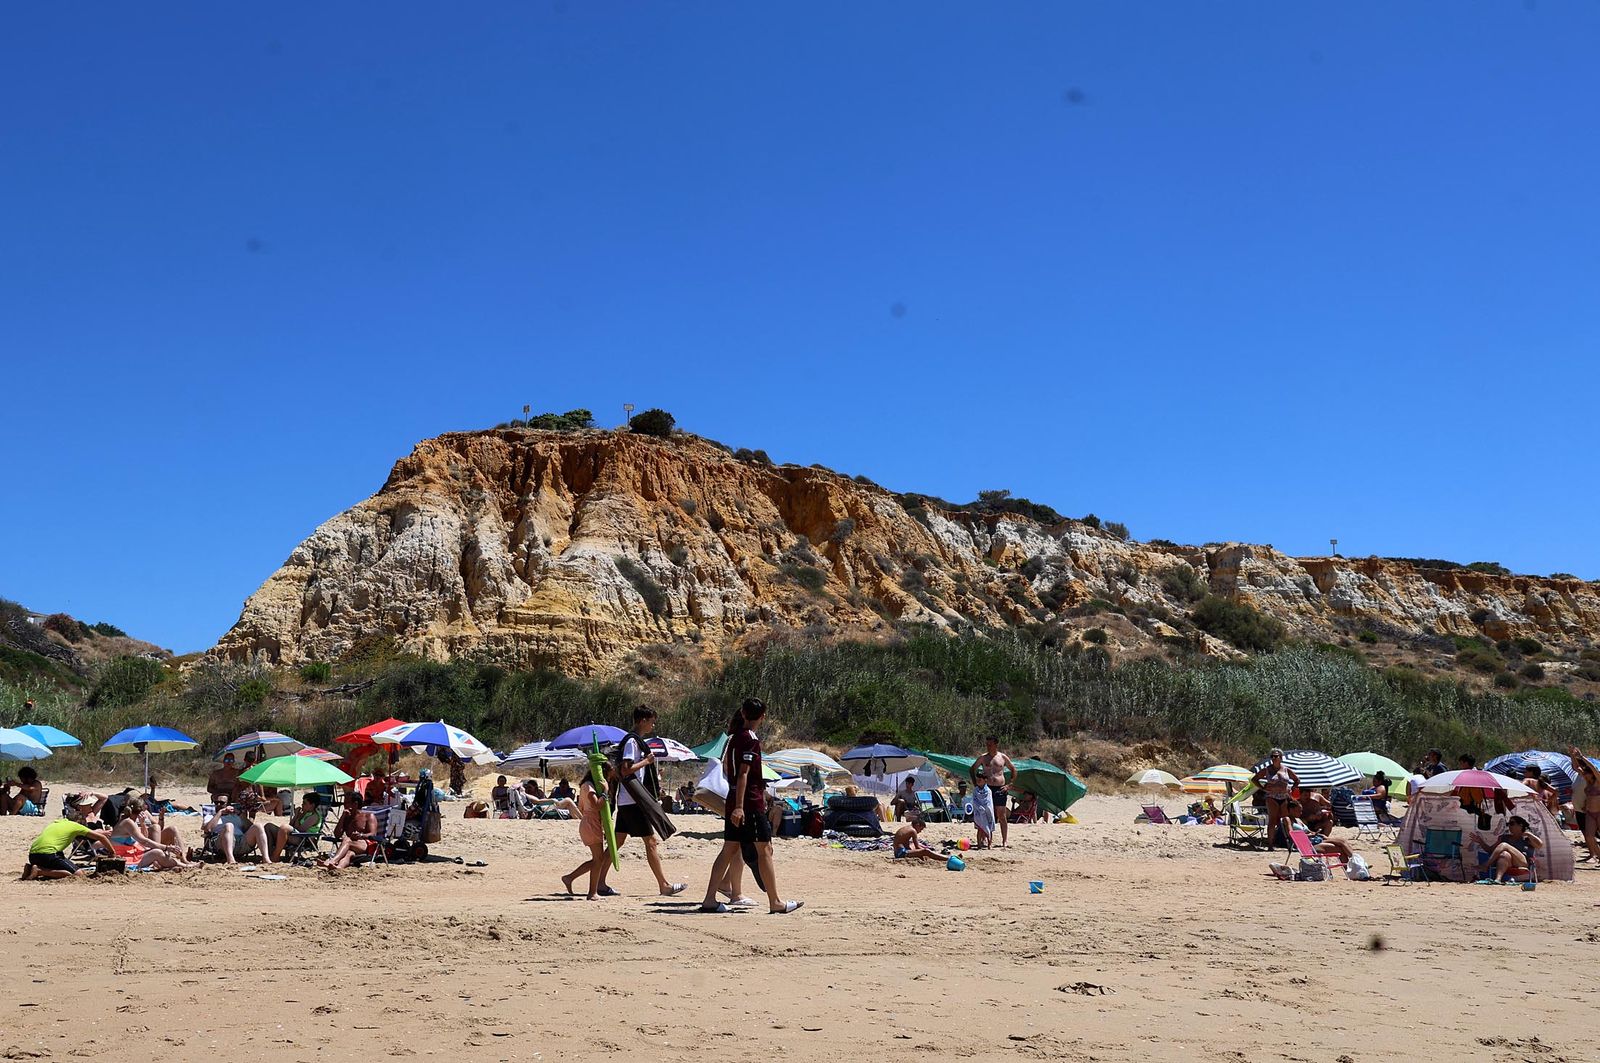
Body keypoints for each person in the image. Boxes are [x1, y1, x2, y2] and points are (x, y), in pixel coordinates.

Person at [699, 697, 802, 914]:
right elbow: (744, 774)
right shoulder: (751, 739)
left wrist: (735, 801)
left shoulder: (733, 738)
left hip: (735, 799)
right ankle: (775, 902)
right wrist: (740, 805)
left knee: (729, 849)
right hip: (749, 804)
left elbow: (730, 771)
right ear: (762, 717)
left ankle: (709, 898)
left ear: (743, 714)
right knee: (764, 849)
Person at [613, 706, 686, 896]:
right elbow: (626, 769)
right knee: (651, 841)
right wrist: (647, 761)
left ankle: (596, 880)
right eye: (651, 720)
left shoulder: (635, 741)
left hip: (626, 800)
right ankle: (664, 885)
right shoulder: (632, 742)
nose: (654, 724)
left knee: (617, 843)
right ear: (642, 720)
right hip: (633, 801)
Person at [22, 797, 115, 880]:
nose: (91, 808)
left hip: (33, 855)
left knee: (59, 862)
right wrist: (112, 852)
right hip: (49, 854)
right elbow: (102, 837)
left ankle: (31, 868)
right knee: (78, 874)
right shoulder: (76, 826)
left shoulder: (57, 822)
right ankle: (40, 871)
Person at [560, 776, 613, 900]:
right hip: (590, 824)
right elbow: (596, 806)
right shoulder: (589, 786)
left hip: (590, 823)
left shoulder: (586, 785)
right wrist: (605, 792)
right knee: (598, 860)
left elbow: (582, 807)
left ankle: (570, 878)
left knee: (597, 860)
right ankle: (591, 892)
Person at [110, 798, 195, 870]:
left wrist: (143, 824)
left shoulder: (127, 820)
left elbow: (144, 838)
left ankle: (182, 863)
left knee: (157, 849)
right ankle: (185, 866)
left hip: (130, 853)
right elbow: (144, 841)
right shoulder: (128, 822)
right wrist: (166, 847)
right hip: (125, 858)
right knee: (157, 853)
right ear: (140, 810)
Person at [971, 736, 1017, 847]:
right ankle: (984, 839)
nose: (988, 746)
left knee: (1001, 815)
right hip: (987, 790)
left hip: (1000, 788)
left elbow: (1013, 770)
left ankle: (1004, 840)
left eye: (990, 744)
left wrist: (1009, 785)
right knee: (985, 814)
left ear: (996, 744)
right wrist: (976, 784)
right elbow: (972, 769)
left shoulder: (1002, 757)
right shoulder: (983, 758)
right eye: (987, 744)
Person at [1253, 748, 1300, 849]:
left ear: (1281, 758)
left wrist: (1292, 788)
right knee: (1273, 820)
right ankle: (1270, 844)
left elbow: (1297, 779)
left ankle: (1290, 842)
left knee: (1286, 819)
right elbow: (1255, 779)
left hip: (1284, 797)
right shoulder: (1267, 770)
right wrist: (1263, 788)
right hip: (1272, 797)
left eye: (1276, 756)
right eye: (1272, 756)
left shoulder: (1286, 769)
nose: (1274, 758)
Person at [1473, 815, 1543, 883]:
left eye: (1512, 824)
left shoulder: (1527, 839)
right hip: (1509, 863)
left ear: (1520, 825)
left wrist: (1529, 834)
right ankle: (1498, 879)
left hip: (1522, 862)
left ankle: (1486, 865)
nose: (1509, 826)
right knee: (1504, 854)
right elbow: (1490, 850)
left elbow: (1540, 845)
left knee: (1504, 845)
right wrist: (1480, 842)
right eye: (1508, 824)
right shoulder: (1504, 837)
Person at [320, 793, 378, 871]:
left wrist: (360, 835)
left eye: (347, 802)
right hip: (351, 846)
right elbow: (337, 835)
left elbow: (373, 834)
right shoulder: (347, 817)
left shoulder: (368, 816)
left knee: (347, 840)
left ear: (355, 804)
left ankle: (332, 861)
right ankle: (339, 867)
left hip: (366, 845)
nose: (344, 805)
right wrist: (342, 817)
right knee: (349, 853)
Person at [1283, 800, 1354, 863]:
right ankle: (1355, 863)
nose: (1301, 813)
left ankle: (1353, 865)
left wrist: (1315, 833)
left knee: (1342, 842)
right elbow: (1291, 835)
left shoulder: (1299, 820)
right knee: (1340, 846)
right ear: (1291, 810)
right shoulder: (1287, 819)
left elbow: (1308, 831)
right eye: (1298, 811)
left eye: (1301, 811)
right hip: (1304, 844)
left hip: (1313, 840)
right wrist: (1311, 835)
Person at [202, 801, 271, 864]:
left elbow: (250, 827)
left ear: (227, 804)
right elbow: (208, 829)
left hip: (241, 842)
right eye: (216, 802)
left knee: (258, 826)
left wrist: (240, 814)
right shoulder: (210, 816)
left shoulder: (236, 816)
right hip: (221, 843)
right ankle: (230, 859)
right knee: (229, 825)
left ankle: (266, 858)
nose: (219, 804)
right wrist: (220, 812)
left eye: (222, 802)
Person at [267, 793, 325, 862]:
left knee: (284, 828)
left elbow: (300, 830)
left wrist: (299, 817)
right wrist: (296, 816)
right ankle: (270, 854)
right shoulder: (304, 813)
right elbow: (291, 825)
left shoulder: (314, 816)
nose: (302, 805)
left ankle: (276, 856)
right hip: (295, 835)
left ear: (312, 805)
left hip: (304, 839)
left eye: (305, 803)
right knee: (269, 826)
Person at [1568, 747, 1600, 863]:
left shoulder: (1598, 781)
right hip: (1590, 813)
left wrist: (1581, 757)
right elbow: (1577, 768)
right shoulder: (1588, 782)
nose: (1584, 776)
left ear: (1592, 774)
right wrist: (1572, 756)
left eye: (1586, 774)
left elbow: (1593, 768)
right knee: (1589, 836)